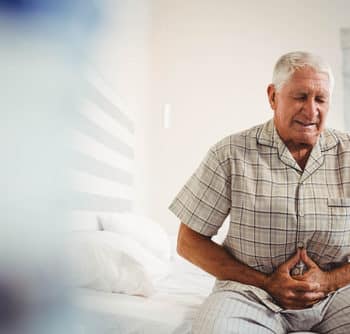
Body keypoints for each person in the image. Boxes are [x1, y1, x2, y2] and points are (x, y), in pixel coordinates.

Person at [169, 51, 350, 333]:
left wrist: (329, 281)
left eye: (321, 99)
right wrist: (265, 282)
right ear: (273, 96)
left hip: (337, 295)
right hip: (251, 294)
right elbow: (189, 241)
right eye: (301, 97)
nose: (311, 110)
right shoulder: (230, 153)